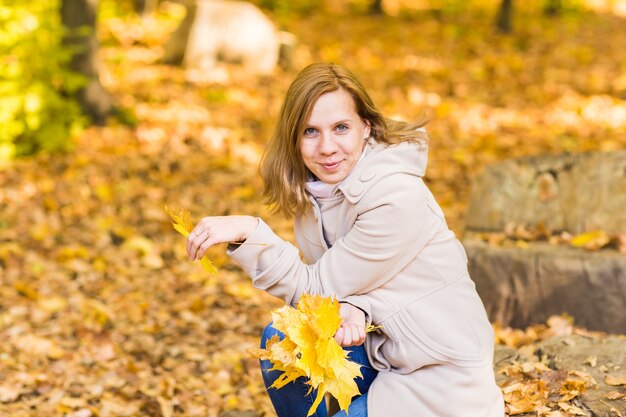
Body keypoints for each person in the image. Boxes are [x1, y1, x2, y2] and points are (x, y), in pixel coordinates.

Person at [186, 62, 505, 417]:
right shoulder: (318, 194)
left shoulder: (395, 196)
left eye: (341, 128)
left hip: (438, 376)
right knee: (284, 341)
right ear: (293, 137)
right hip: (381, 352)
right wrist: (354, 305)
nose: (326, 147)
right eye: (310, 131)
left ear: (365, 127)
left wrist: (250, 232)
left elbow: (317, 286)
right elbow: (342, 291)